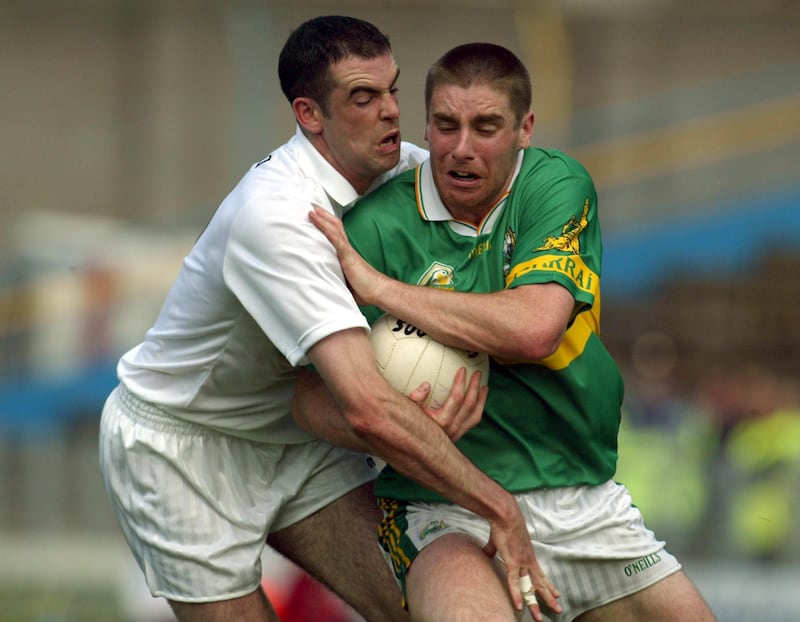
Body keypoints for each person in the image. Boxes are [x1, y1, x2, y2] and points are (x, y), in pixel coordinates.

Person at [99, 16, 554, 622]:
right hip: (184, 448)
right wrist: (499, 507)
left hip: (300, 435)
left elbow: (517, 207)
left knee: (429, 605)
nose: (392, 111)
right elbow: (367, 406)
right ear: (310, 114)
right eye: (363, 98)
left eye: (393, 89)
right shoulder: (279, 218)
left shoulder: (408, 172)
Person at [297, 43, 718, 621]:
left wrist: (384, 292)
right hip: (441, 506)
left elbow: (535, 328)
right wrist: (397, 426)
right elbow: (306, 401)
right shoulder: (373, 228)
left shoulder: (554, 185)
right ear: (427, 125)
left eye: (486, 126)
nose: (461, 148)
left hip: (583, 503)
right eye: (445, 126)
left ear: (525, 129)